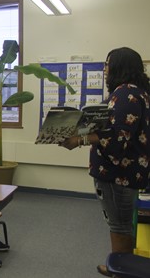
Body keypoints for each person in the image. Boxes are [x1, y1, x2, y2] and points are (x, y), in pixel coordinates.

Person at [60, 47, 150, 277]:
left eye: (108, 64)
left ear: (119, 67)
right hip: (128, 173)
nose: (105, 69)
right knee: (122, 223)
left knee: (119, 225)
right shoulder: (138, 92)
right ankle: (119, 264)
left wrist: (78, 139)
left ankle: (121, 270)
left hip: (117, 174)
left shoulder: (124, 94)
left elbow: (116, 140)